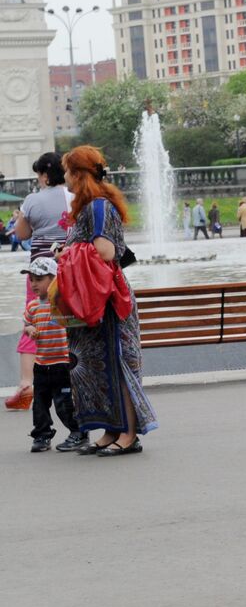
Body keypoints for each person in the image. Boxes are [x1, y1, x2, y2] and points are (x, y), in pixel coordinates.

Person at [62, 145, 156, 455]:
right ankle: (110, 430)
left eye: (67, 171)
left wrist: (66, 255)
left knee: (118, 364)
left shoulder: (97, 207)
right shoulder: (93, 205)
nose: (64, 177)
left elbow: (105, 252)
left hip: (107, 300)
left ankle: (128, 435)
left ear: (78, 174)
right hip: (96, 298)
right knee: (100, 367)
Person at [9, 152, 72, 412]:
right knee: (69, 319)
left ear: (45, 174)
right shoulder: (73, 197)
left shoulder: (32, 200)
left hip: (39, 269)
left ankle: (27, 384)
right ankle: (71, 378)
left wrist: (25, 220)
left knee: (32, 318)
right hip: (68, 267)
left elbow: (22, 233)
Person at [20, 257, 84, 453]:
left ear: (54, 279)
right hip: (41, 364)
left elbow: (76, 325)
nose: (34, 284)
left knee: (64, 404)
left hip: (62, 364)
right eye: (32, 280)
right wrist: (29, 329)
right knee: (39, 404)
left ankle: (78, 432)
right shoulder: (32, 306)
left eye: (39, 279)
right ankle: (42, 434)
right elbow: (26, 324)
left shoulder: (63, 303)